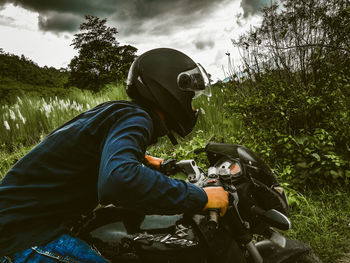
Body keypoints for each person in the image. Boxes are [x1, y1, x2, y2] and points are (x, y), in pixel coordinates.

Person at [0, 48, 228, 262]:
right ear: (169, 89)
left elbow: (92, 149)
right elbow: (119, 180)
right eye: (190, 99)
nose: (191, 108)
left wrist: (148, 161)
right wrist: (202, 197)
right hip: (22, 234)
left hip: (20, 221)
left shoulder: (122, 111)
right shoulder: (137, 119)